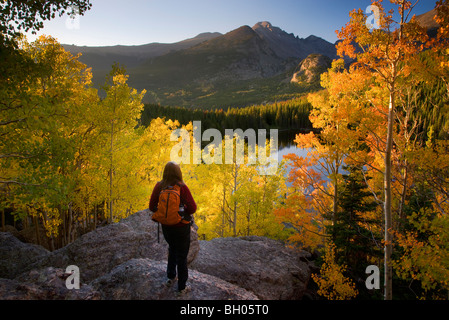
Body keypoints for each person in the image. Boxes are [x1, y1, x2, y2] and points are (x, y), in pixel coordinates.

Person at [149, 161, 197, 295]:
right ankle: (182, 288)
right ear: (178, 172)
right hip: (181, 226)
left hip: (167, 226)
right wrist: (182, 210)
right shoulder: (182, 187)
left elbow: (152, 206)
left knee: (172, 249)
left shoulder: (159, 186)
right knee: (182, 256)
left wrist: (165, 211)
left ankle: (170, 277)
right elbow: (193, 208)